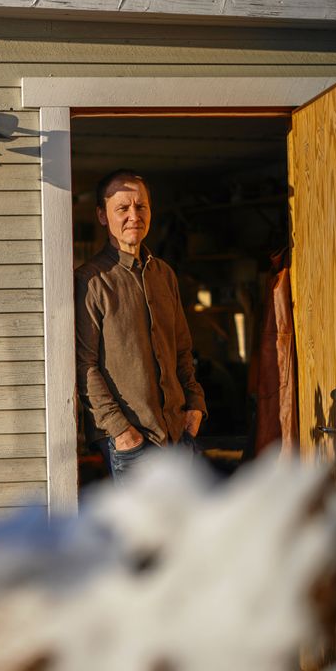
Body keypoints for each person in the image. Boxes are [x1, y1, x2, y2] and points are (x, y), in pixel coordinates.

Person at [74, 169, 207, 481]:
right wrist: (121, 431)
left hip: (178, 435)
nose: (134, 216)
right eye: (122, 208)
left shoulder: (164, 274)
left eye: (141, 206)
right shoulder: (90, 281)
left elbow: (183, 349)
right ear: (102, 215)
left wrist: (195, 405)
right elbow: (84, 366)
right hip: (131, 442)